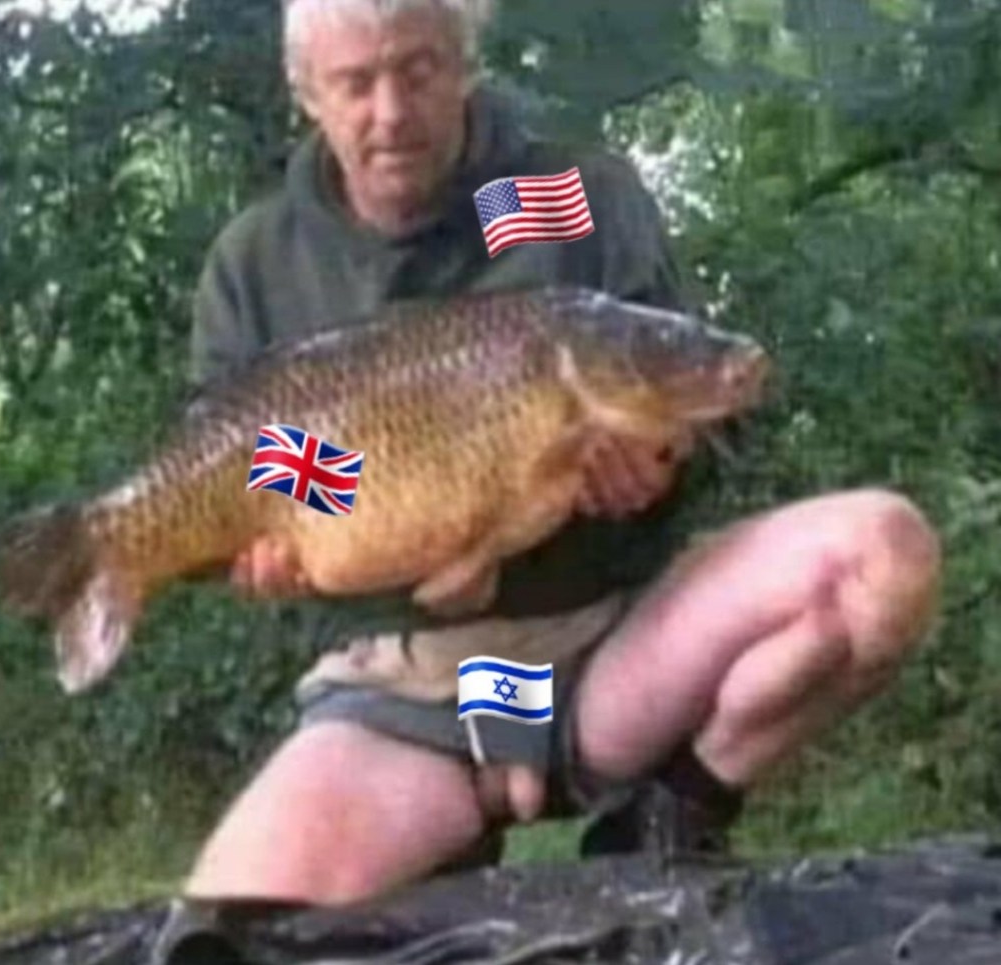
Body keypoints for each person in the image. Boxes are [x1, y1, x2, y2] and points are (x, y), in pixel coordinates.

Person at [179, 0, 942, 909]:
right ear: (308, 92)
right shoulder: (259, 265)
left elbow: (710, 407)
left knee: (881, 556)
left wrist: (662, 467)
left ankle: (671, 809)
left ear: (465, 62)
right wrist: (330, 521)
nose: (391, 111)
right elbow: (248, 450)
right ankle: (440, 836)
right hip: (407, 690)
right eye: (356, 83)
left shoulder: (564, 195)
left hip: (619, 645)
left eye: (419, 70)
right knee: (233, 923)